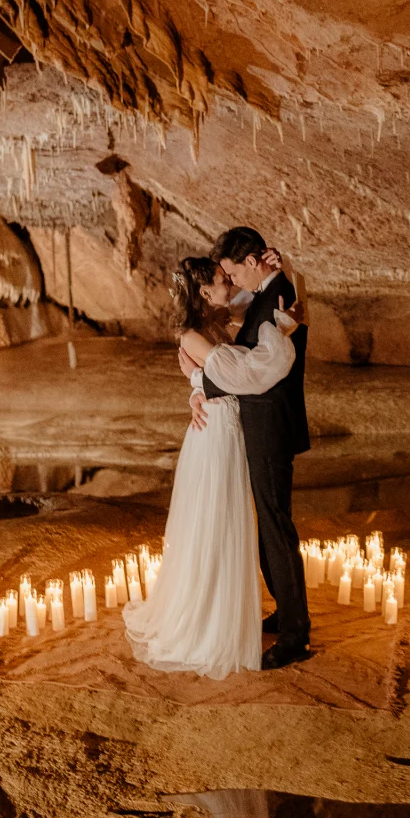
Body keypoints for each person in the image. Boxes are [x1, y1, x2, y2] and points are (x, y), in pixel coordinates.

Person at [122, 256, 300, 680]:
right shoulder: (194, 336)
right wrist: (281, 330)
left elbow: (247, 300)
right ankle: (205, 626)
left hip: (226, 430)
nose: (230, 285)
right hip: (215, 435)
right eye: (223, 281)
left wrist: (279, 269)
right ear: (203, 293)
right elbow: (245, 374)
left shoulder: (219, 325)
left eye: (228, 277)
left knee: (229, 525)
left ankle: (230, 613)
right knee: (213, 525)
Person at [180, 227, 311, 670]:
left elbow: (255, 372)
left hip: (271, 426)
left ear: (253, 263)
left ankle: (295, 634)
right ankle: (284, 611)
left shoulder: (279, 295)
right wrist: (199, 387)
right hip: (258, 425)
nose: (232, 281)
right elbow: (219, 318)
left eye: (234, 271)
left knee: (276, 526)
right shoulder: (263, 294)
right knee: (268, 525)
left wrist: (202, 384)